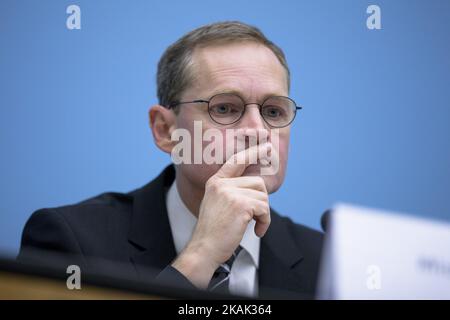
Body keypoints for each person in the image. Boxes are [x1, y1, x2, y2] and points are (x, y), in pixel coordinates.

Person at [18, 21, 323, 298]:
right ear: (165, 130)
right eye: (225, 108)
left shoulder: (325, 261)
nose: (258, 131)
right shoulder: (72, 243)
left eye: (273, 112)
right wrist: (201, 255)